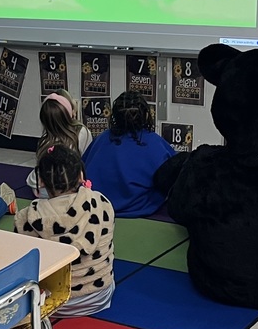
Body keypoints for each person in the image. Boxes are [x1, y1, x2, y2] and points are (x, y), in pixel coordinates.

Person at [15, 146, 115, 316]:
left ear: (40, 181)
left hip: (52, 303)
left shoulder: (27, 218)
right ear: (81, 176)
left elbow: (23, 266)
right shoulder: (101, 202)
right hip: (100, 295)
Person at [82, 91, 174, 217]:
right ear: (146, 115)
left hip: (97, 212)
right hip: (144, 214)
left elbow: (82, 171)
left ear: (114, 116)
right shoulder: (156, 143)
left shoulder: (100, 140)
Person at [26, 90, 93, 197]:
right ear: (69, 115)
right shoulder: (81, 132)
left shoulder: (43, 141)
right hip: (66, 188)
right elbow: (87, 160)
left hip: (41, 189)